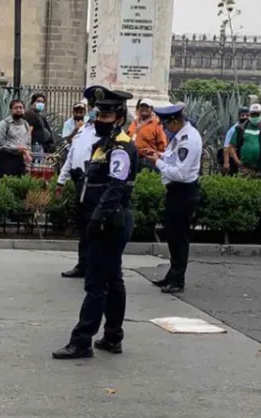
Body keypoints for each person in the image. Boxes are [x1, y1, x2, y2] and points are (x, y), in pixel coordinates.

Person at [52, 88, 137, 360]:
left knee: (96, 284)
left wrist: (97, 219)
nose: (101, 118)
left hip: (109, 221)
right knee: (113, 279)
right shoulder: (104, 144)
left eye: (108, 114)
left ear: (120, 118)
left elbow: (116, 187)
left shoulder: (121, 147)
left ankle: (81, 341)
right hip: (103, 219)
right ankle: (112, 336)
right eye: (99, 113)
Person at [145, 102, 202, 294]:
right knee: (172, 236)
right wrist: (159, 155)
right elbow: (173, 158)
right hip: (176, 192)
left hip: (183, 192)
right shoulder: (179, 136)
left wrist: (158, 162)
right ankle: (172, 274)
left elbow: (181, 173)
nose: (165, 129)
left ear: (174, 121)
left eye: (166, 125)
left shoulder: (189, 139)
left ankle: (178, 280)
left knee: (179, 238)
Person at [56, 95, 101, 279]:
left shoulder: (103, 133)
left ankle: (95, 266)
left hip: (94, 184)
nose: (92, 109)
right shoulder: (82, 130)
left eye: (95, 106)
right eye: (91, 105)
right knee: (83, 227)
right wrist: (61, 180)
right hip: (79, 182)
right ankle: (83, 264)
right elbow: (71, 156)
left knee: (94, 227)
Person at [228, 103, 261, 177]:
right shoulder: (241, 128)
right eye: (253, 114)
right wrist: (237, 161)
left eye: (257, 114)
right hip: (245, 169)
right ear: (249, 114)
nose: (255, 116)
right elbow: (231, 146)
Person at [0, 99, 32, 177]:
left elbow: (28, 141)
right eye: (16, 108)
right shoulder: (4, 124)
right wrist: (16, 148)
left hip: (21, 161)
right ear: (11, 110)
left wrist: (27, 152)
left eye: (21, 108)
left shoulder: (25, 124)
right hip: (7, 160)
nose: (19, 110)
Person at [127, 98, 168, 169]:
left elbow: (163, 145)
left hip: (148, 161)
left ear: (152, 109)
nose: (144, 109)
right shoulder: (134, 122)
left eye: (147, 107)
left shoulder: (157, 124)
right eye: (142, 106)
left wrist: (157, 157)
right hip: (132, 159)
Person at [25, 92, 55, 159]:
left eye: (42, 102)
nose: (41, 104)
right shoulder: (30, 115)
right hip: (35, 146)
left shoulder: (39, 116)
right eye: (38, 101)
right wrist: (27, 148)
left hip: (40, 146)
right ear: (32, 102)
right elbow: (28, 132)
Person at [221, 106, 249, 175]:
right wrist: (226, 163)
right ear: (239, 116)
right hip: (233, 159)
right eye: (243, 115)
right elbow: (226, 147)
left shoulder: (249, 129)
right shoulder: (234, 129)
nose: (245, 117)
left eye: (247, 115)